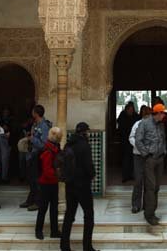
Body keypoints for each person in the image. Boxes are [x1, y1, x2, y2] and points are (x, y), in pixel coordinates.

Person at [60, 122, 99, 251]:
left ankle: (64, 246)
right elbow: (88, 165)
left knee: (69, 215)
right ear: (84, 133)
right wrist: (92, 174)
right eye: (87, 132)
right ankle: (87, 247)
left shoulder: (68, 144)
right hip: (82, 185)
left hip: (70, 184)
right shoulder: (84, 145)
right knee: (88, 215)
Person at [133, 102, 167, 225]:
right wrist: (146, 154)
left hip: (159, 159)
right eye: (163, 113)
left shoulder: (161, 125)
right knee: (150, 187)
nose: (164, 116)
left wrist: (164, 151)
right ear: (158, 113)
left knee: (157, 187)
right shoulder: (145, 123)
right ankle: (149, 215)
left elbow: (163, 139)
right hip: (150, 159)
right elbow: (138, 140)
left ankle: (153, 211)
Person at [22, 104, 51, 211]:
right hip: (32, 155)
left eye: (33, 111)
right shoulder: (35, 124)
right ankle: (31, 200)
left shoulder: (44, 126)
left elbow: (44, 144)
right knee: (31, 179)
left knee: (37, 180)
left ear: (36, 113)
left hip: (38, 156)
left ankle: (38, 202)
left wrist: (32, 139)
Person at [35, 126, 62, 240]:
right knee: (43, 208)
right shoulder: (48, 150)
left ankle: (54, 231)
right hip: (46, 183)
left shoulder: (55, 148)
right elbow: (47, 170)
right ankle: (38, 230)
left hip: (52, 182)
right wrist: (58, 176)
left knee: (54, 208)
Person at [129, 104, 151, 214]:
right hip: (138, 156)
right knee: (138, 180)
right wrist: (140, 147)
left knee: (148, 181)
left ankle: (147, 205)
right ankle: (136, 205)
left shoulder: (154, 125)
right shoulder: (137, 124)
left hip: (149, 157)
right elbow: (131, 137)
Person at [116, 101, 139, 182]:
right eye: (129, 110)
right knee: (126, 159)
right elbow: (120, 128)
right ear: (126, 110)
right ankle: (125, 176)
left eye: (132, 110)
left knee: (133, 159)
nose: (131, 111)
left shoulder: (136, 116)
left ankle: (132, 175)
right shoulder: (122, 116)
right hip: (125, 141)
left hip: (133, 142)